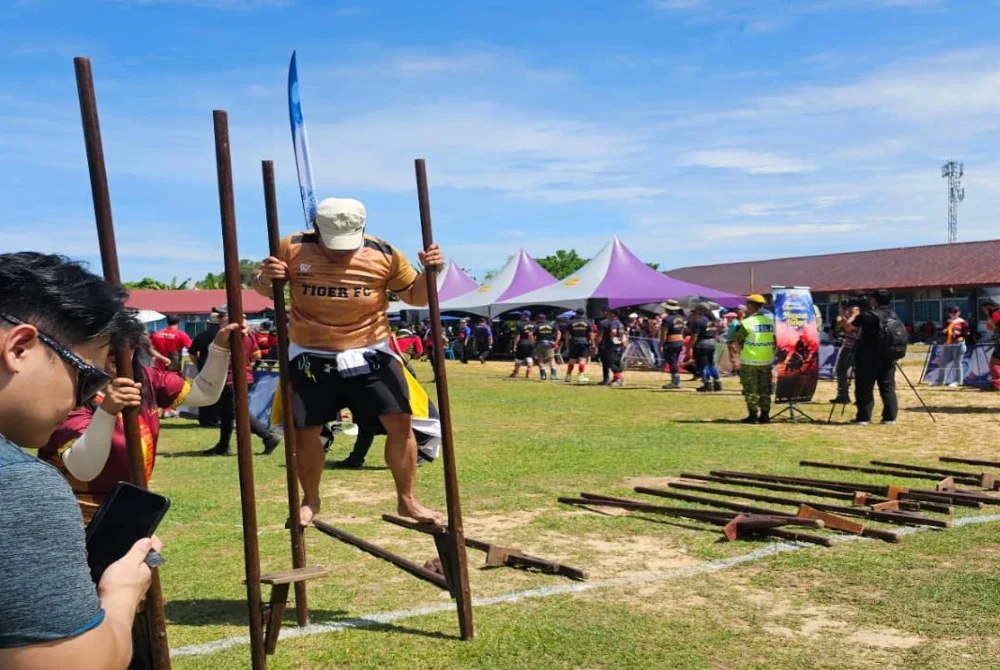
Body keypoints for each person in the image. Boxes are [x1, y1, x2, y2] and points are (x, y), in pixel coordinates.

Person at [0, 252, 160, 668]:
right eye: (85, 376)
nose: (82, 397)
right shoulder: (19, 486)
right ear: (19, 347)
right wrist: (121, 594)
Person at [252, 196, 444, 525]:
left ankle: (407, 500)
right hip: (310, 352)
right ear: (316, 229)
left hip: (370, 349)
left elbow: (416, 296)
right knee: (306, 429)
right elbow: (262, 288)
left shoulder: (384, 253)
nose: (341, 250)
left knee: (400, 422)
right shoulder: (293, 247)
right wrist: (266, 276)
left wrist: (432, 272)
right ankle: (310, 500)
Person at [41, 316, 239, 506]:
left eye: (128, 346)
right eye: (107, 346)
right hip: (75, 515)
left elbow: (204, 393)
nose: (119, 353)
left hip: (131, 508)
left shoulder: (145, 378)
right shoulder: (67, 388)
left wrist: (220, 348)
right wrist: (107, 411)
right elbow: (83, 468)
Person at [851, 289, 901, 425]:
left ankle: (863, 417)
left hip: (868, 357)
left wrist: (858, 312)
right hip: (888, 356)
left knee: (864, 387)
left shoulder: (868, 315)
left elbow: (853, 325)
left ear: (874, 300)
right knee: (888, 387)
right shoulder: (893, 314)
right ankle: (890, 417)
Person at [733, 295, 775, 423]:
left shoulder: (747, 323)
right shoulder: (770, 322)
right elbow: (775, 340)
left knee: (751, 389)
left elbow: (737, 341)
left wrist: (738, 354)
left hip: (750, 360)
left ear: (751, 305)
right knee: (765, 389)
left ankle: (752, 416)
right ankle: (765, 415)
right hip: (766, 359)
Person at [190, 310, 222, 427]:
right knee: (219, 394)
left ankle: (204, 419)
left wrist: (197, 364)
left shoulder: (201, 335)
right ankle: (216, 419)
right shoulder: (223, 336)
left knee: (203, 392)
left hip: (204, 366)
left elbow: (192, 352)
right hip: (220, 366)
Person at [830, 299, 859, 404]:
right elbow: (839, 324)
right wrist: (843, 314)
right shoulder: (848, 316)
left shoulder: (858, 315)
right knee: (840, 370)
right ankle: (843, 395)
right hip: (847, 346)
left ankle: (860, 397)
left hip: (856, 347)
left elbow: (848, 327)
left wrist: (850, 315)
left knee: (858, 372)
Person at [691, 304, 722, 392]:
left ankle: (707, 384)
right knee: (711, 364)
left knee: (703, 365)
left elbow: (695, 336)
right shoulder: (713, 321)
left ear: (701, 310)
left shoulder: (699, 321)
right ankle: (718, 383)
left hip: (701, 344)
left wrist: (691, 347)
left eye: (696, 309)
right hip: (712, 343)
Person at [939, 305, 968, 388]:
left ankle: (958, 381)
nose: (952, 313)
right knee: (942, 362)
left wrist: (961, 335)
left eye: (955, 312)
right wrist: (943, 332)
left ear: (959, 312)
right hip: (948, 344)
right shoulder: (947, 321)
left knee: (957, 363)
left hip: (958, 344)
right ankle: (940, 381)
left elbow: (968, 333)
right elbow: (942, 332)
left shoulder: (962, 322)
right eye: (951, 312)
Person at [659, 301, 686, 389]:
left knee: (672, 361)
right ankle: (676, 381)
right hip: (679, 340)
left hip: (671, 341)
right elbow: (682, 330)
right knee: (675, 360)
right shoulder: (681, 318)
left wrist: (661, 344)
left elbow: (664, 333)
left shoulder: (667, 319)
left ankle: (676, 381)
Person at [564, 308, 594, 384]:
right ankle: (581, 376)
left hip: (574, 341)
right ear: (583, 314)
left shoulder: (570, 322)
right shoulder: (588, 322)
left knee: (572, 359)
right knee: (582, 360)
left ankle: (568, 375)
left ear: (576, 313)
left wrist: (567, 344)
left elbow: (567, 335)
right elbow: (591, 334)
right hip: (584, 342)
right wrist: (593, 343)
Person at [598, 307, 626, 387]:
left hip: (611, 345)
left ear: (613, 314)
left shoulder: (613, 322)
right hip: (618, 345)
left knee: (610, 362)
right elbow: (623, 333)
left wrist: (612, 337)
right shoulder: (620, 323)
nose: (608, 315)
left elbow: (613, 331)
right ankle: (618, 378)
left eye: (609, 313)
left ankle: (618, 378)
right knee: (616, 362)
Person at [533, 312, 560, 381]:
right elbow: (559, 333)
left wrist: (533, 342)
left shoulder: (536, 326)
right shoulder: (551, 325)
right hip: (549, 343)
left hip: (540, 343)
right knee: (551, 359)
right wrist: (556, 342)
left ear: (538, 319)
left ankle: (543, 375)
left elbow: (530, 333)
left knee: (540, 359)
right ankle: (553, 375)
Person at [510, 311, 536, 379]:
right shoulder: (534, 324)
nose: (521, 316)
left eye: (522, 315)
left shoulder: (520, 324)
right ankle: (529, 372)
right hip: (531, 343)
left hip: (522, 342)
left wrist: (515, 344)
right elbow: (535, 335)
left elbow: (517, 336)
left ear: (525, 316)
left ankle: (515, 373)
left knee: (518, 359)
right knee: (530, 358)